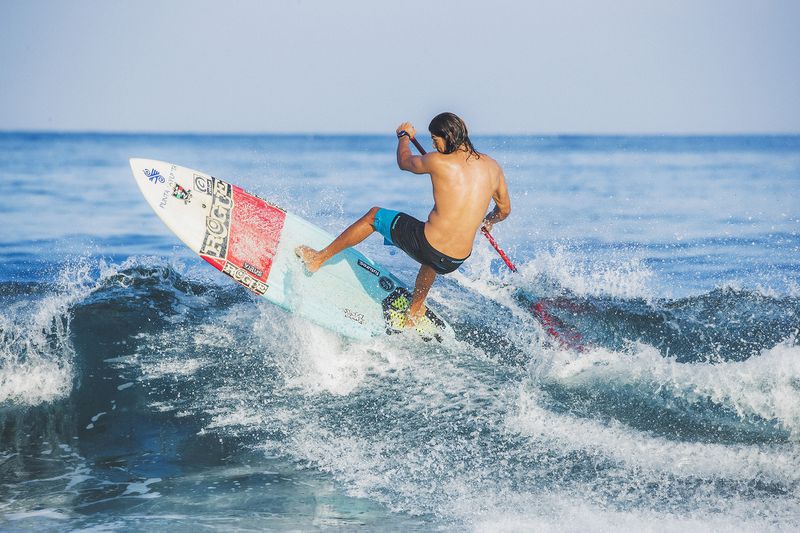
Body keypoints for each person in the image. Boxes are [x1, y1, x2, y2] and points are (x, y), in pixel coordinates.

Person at [296, 112, 511, 325]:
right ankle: (415, 310)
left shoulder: (438, 161)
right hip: (455, 260)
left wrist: (404, 137)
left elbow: (404, 161)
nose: (434, 146)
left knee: (374, 216)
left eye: (436, 140)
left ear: (449, 135)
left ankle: (318, 259)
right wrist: (488, 221)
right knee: (435, 254)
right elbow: (504, 210)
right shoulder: (493, 168)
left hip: (428, 246)